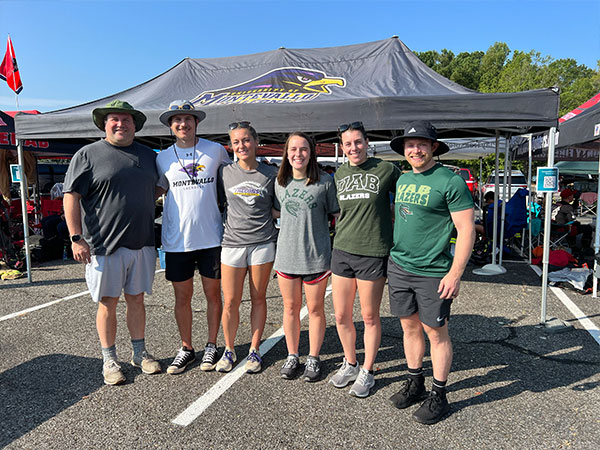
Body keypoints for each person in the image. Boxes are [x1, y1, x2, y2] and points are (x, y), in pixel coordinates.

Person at [63, 100, 161, 385]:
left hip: (142, 242)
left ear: (135, 124)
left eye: (126, 120)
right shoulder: (88, 154)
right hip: (103, 246)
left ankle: (140, 353)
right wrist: (76, 237)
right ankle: (109, 359)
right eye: (114, 119)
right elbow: (71, 196)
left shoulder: (148, 156)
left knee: (137, 300)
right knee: (108, 303)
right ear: (104, 124)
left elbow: (157, 187)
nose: (120, 124)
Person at [387, 121, 475, 424]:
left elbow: (466, 230)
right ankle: (416, 382)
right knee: (409, 328)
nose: (416, 149)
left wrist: (455, 273)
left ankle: (439, 394)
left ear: (433, 147)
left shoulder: (450, 181)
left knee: (436, 334)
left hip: (433, 272)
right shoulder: (402, 180)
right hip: (399, 266)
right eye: (410, 145)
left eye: (422, 144)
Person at [155, 100, 231, 375]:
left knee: (213, 295)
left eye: (188, 119)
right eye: (177, 121)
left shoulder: (216, 150)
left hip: (211, 237)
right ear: (170, 126)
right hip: (177, 240)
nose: (183, 124)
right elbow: (154, 191)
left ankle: (212, 344)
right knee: (182, 297)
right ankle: (186, 347)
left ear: (196, 122)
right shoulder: (162, 157)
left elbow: (235, 178)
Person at [329, 121, 400, 397]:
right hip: (342, 250)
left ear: (367, 142)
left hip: (372, 251)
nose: (353, 147)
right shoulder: (339, 174)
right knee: (342, 315)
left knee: (369, 316)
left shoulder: (385, 169)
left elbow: (408, 191)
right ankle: (350, 362)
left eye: (358, 142)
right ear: (342, 147)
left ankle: (368, 371)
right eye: (348, 143)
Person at [274, 132, 339, 382]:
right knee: (290, 308)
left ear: (311, 153)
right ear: (286, 152)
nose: (298, 154)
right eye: (293, 149)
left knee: (315, 309)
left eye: (303, 149)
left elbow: (337, 215)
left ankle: (313, 356)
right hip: (287, 257)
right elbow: (275, 211)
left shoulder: (324, 182)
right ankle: (293, 355)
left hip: (316, 257)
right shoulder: (280, 182)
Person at [216, 121, 278, 373]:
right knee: (230, 301)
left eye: (246, 140)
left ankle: (254, 350)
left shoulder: (271, 174)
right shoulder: (223, 173)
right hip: (232, 244)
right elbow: (219, 205)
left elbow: (277, 209)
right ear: (231, 146)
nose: (241, 145)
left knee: (258, 298)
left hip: (262, 243)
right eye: (236, 142)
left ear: (256, 142)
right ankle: (229, 350)